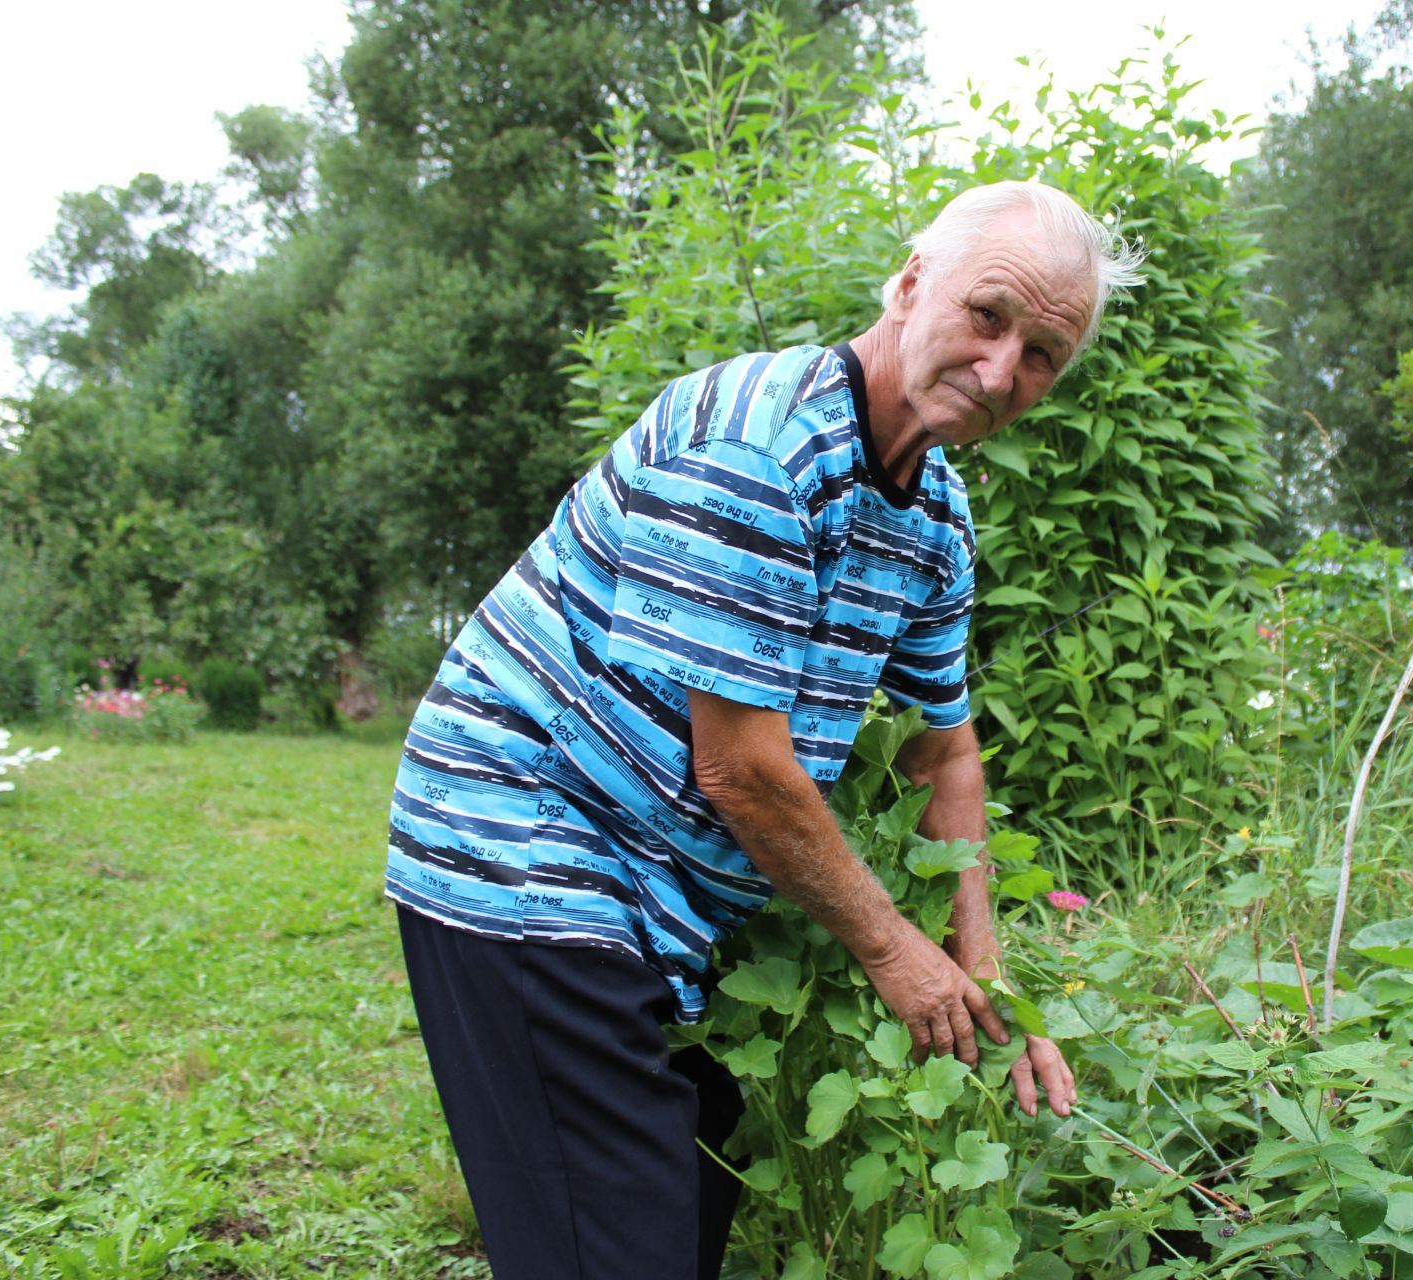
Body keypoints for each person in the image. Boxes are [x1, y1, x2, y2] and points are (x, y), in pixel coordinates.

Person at [384, 180, 1145, 1279]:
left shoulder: (932, 516)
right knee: (616, 1243)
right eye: (989, 315)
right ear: (910, 280)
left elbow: (947, 750)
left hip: (653, 896)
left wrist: (985, 972)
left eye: (1041, 354)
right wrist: (897, 950)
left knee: (679, 1201)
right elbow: (740, 768)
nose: (1000, 371)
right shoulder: (760, 447)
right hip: (523, 846)